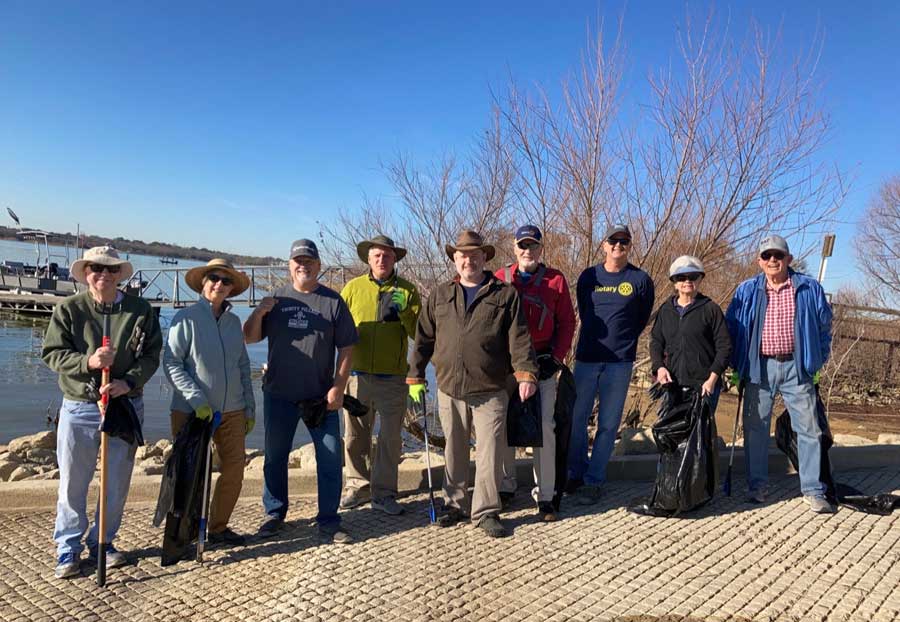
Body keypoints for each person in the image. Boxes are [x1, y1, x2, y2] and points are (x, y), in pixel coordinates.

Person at [42, 246, 162, 579]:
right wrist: (88, 362)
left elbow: (152, 355)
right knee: (72, 483)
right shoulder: (68, 309)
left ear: (119, 274)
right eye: (96, 269)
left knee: (116, 483)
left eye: (110, 270)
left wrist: (129, 382)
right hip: (80, 406)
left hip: (124, 405)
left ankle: (103, 542)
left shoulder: (140, 311)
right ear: (86, 273)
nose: (103, 275)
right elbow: (51, 353)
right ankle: (68, 546)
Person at [408, 230, 538, 538]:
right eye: (463, 255)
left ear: (484, 258)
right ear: (455, 259)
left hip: (491, 388)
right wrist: (415, 376)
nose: (469, 260)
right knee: (453, 447)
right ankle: (454, 503)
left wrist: (525, 374)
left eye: (475, 255)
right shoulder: (440, 295)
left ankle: (486, 511)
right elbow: (423, 338)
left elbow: (519, 338)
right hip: (449, 386)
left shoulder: (504, 294)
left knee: (490, 451)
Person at [243, 239, 359, 543]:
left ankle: (330, 520)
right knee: (275, 457)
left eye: (309, 261)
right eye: (298, 261)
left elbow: (347, 347)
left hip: (321, 397)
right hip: (278, 394)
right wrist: (259, 312)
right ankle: (274, 514)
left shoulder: (333, 302)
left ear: (318, 266)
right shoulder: (276, 299)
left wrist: (339, 386)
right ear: (289, 265)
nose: (303, 265)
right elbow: (249, 338)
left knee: (331, 457)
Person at [726, 235, 835, 513]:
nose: (772, 260)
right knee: (755, 429)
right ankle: (757, 485)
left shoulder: (809, 288)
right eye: (766, 256)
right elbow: (734, 329)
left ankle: (813, 489)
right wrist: (737, 365)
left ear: (788, 259)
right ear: (759, 261)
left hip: (796, 368)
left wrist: (816, 360)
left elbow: (824, 327)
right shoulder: (746, 290)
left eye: (778, 255)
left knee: (809, 428)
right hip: (758, 367)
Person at [163, 258, 255, 547]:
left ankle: (217, 527)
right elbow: (172, 363)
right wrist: (196, 399)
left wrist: (249, 407)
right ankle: (185, 532)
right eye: (214, 278)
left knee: (234, 471)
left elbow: (242, 366)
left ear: (231, 288)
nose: (219, 284)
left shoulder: (233, 322)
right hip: (192, 412)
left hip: (232, 411)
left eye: (226, 281)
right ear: (203, 283)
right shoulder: (185, 318)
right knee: (190, 475)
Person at [568, 224, 655, 505]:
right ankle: (576, 473)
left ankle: (595, 480)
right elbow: (583, 309)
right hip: (587, 359)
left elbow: (642, 317)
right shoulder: (589, 276)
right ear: (604, 245)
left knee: (607, 424)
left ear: (630, 246)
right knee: (576, 419)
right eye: (613, 241)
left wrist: (623, 340)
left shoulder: (640, 280)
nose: (618, 245)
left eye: (624, 241)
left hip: (619, 362)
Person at [497, 225, 576, 521]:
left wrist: (556, 357)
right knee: (503, 424)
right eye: (522, 245)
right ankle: (505, 487)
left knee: (544, 427)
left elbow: (567, 322)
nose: (527, 251)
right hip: (506, 365)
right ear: (514, 248)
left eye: (533, 246)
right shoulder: (501, 279)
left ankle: (545, 494)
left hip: (542, 363)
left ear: (541, 249)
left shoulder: (555, 280)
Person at [339, 235, 421, 515]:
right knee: (355, 435)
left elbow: (419, 335)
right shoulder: (352, 288)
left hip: (393, 377)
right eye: (377, 255)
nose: (382, 260)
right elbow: (338, 329)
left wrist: (404, 313)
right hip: (356, 376)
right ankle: (357, 485)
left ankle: (384, 493)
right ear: (368, 259)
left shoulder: (407, 290)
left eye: (387, 255)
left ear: (394, 259)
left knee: (389, 438)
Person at [649, 255, 731, 410]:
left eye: (692, 276)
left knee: (700, 433)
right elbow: (656, 342)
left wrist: (712, 379)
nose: (687, 281)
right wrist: (659, 367)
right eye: (681, 277)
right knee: (670, 432)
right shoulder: (665, 310)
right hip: (671, 384)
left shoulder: (711, 309)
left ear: (700, 279)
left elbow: (724, 347)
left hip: (704, 385)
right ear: (674, 282)